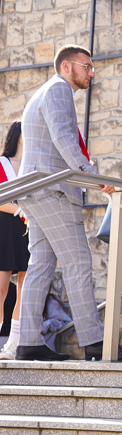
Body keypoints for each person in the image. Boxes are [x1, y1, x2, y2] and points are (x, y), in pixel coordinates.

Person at [15, 45, 122, 362]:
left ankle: (29, 342)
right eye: (87, 66)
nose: (91, 72)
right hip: (52, 191)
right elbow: (64, 137)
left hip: (37, 191)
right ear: (68, 66)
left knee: (40, 268)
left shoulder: (45, 92)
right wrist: (92, 175)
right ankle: (95, 342)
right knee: (79, 264)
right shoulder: (58, 90)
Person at [0, 122, 28, 360]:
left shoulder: (33, 166)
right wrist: (20, 211)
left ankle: (14, 343)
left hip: (28, 229)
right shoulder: (1, 164)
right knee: (0, 289)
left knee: (24, 289)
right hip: (4, 227)